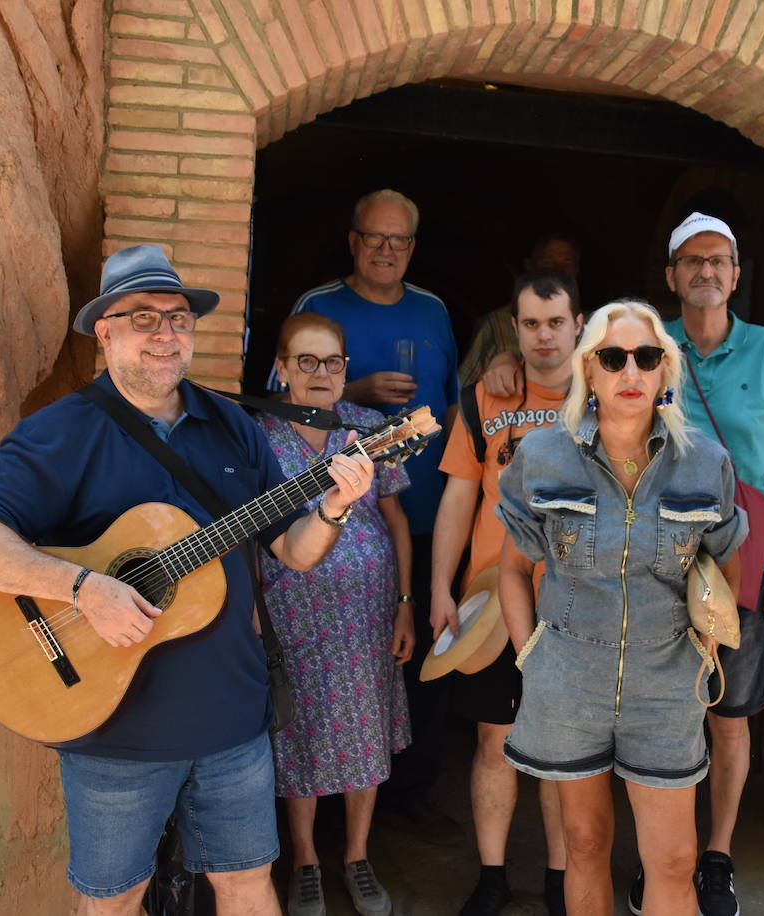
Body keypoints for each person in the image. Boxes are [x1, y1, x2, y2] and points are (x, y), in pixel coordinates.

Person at [0, 244, 375, 916]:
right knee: (113, 902)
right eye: (144, 318)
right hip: (116, 732)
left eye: (178, 319)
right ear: (104, 330)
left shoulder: (232, 426)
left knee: (249, 889)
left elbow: (293, 548)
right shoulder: (62, 433)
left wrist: (336, 507)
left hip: (232, 720)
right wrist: (83, 588)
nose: (166, 334)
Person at [495, 299, 747, 916]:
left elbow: (724, 563)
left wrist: (707, 642)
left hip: (665, 679)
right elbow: (511, 567)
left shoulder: (705, 461)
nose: (630, 372)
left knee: (673, 858)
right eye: (613, 358)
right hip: (568, 674)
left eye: (646, 357)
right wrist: (532, 654)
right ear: (590, 369)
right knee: (585, 841)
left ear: (666, 369)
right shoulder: (544, 454)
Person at [270, 188, 462, 839]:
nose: (386, 250)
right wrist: (356, 392)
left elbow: (456, 407)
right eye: (375, 238)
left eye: (399, 240)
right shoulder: (318, 306)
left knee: (421, 662)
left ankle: (411, 794)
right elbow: (280, 396)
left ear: (412, 247)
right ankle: (311, 832)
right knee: (312, 694)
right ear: (353, 241)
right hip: (320, 538)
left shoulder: (434, 312)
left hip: (429, 511)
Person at [638, 211, 764, 916]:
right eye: (693, 261)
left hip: (747, 562)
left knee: (729, 719)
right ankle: (663, 860)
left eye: (720, 261)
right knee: (662, 717)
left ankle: (717, 855)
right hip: (658, 564)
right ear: (672, 276)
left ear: (736, 275)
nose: (707, 271)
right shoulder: (649, 349)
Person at [430, 269, 582, 916]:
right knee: (495, 740)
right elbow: (460, 496)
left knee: (564, 752)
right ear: (513, 329)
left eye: (556, 322)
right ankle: (492, 876)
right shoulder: (484, 398)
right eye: (530, 324)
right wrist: (439, 587)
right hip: (491, 599)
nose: (544, 336)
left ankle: (559, 879)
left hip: (578, 606)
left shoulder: (613, 392)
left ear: (580, 323)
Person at [261, 311, 415, 916]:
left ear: (345, 369)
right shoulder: (260, 434)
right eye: (306, 361)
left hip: (367, 615)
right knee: (298, 733)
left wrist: (405, 605)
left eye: (332, 362)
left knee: (364, 731)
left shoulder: (369, 428)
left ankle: (356, 856)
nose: (320, 373)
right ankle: (304, 859)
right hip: (292, 616)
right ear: (281, 368)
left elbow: (397, 522)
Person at [458, 233, 582, 387]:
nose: (557, 269)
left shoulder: (596, 327)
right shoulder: (495, 324)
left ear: (577, 324)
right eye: (548, 261)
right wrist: (503, 361)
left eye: (567, 262)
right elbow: (460, 394)